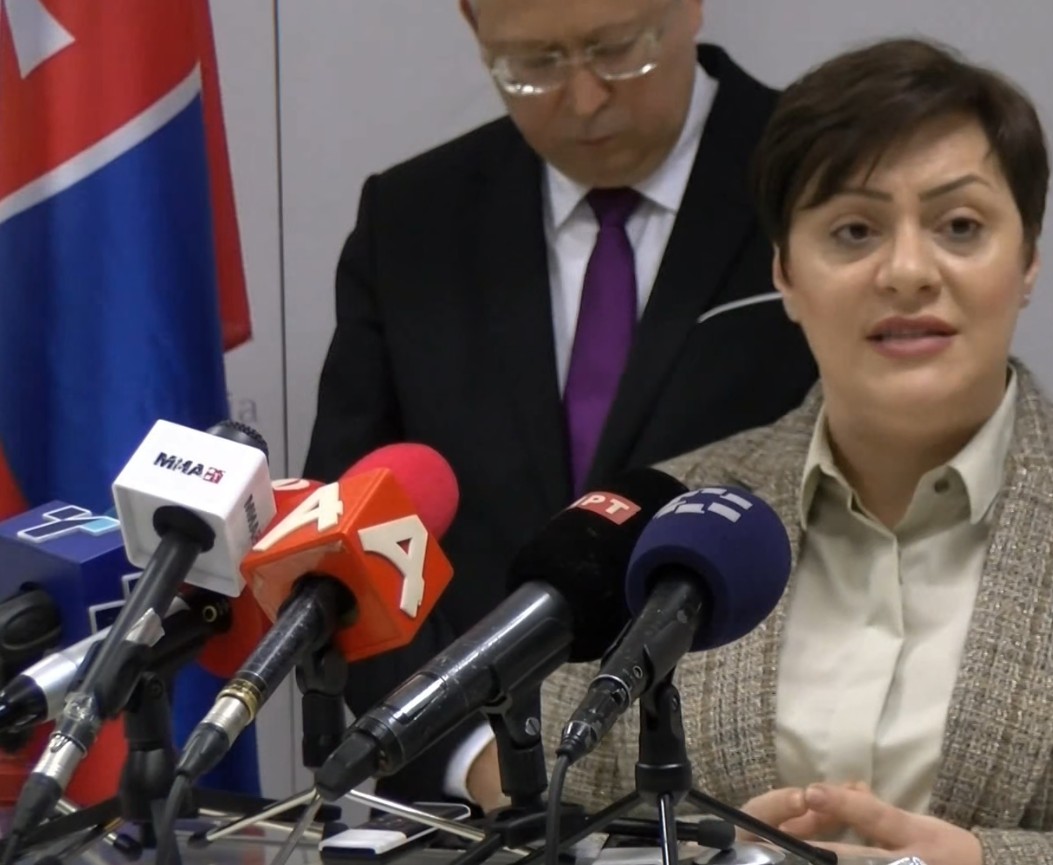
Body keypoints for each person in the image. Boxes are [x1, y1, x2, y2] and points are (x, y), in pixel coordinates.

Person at [541, 37, 1053, 865]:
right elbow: (559, 829)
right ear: (784, 272)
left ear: (1026, 260)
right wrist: (694, 854)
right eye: (853, 230)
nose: (906, 271)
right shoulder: (674, 520)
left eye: (959, 226)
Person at [301, 0, 816, 807]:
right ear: (473, 26)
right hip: (475, 799)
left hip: (754, 783)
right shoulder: (411, 218)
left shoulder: (822, 179)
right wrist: (470, 753)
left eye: (617, 50)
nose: (583, 99)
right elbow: (349, 537)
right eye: (532, 65)